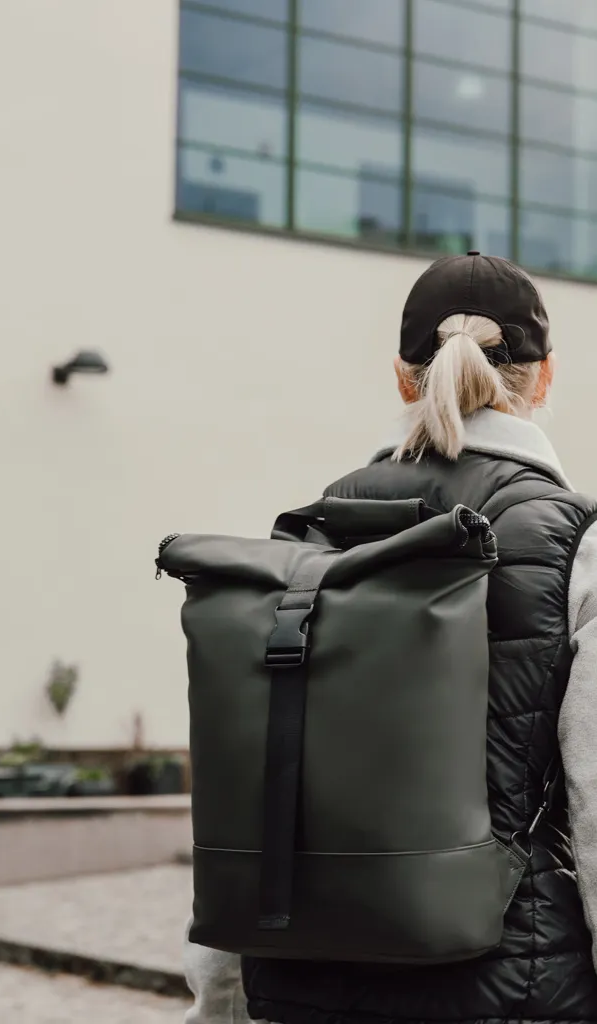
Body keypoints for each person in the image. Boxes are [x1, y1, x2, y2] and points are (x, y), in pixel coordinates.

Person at [184, 252, 597, 1024]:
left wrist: (219, 1005)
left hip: (300, 985)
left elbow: (247, 792)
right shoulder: (577, 546)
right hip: (516, 988)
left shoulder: (309, 535)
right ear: (543, 378)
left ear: (403, 378)